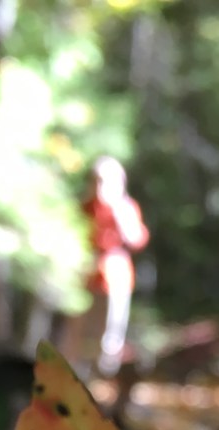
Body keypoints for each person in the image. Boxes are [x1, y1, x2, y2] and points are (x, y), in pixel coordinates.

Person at [81, 156, 149, 376]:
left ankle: (105, 377)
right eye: (97, 181)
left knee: (110, 332)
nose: (100, 186)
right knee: (82, 330)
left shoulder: (126, 207)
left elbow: (137, 239)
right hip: (86, 273)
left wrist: (119, 211)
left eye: (106, 181)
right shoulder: (86, 207)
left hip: (116, 273)